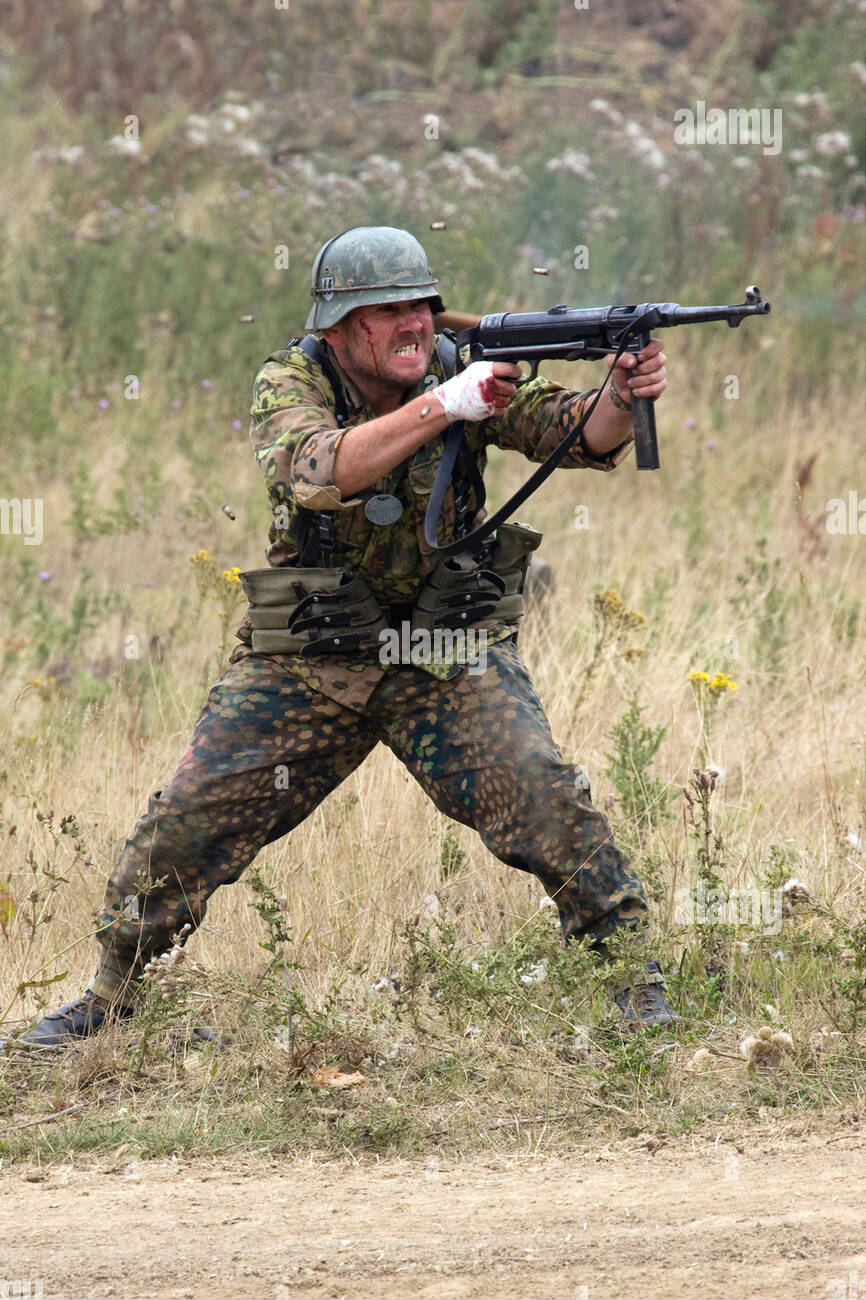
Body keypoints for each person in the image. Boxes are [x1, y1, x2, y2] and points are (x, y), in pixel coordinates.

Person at [6, 224, 675, 1050]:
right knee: (188, 822)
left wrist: (621, 397)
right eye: (385, 312)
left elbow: (577, 434)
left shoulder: (461, 364)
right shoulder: (292, 380)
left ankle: (632, 978)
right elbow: (320, 470)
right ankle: (113, 998)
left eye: (420, 307)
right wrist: (446, 405)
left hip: (443, 645)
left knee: (543, 795)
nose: (412, 325)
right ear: (339, 327)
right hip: (313, 650)